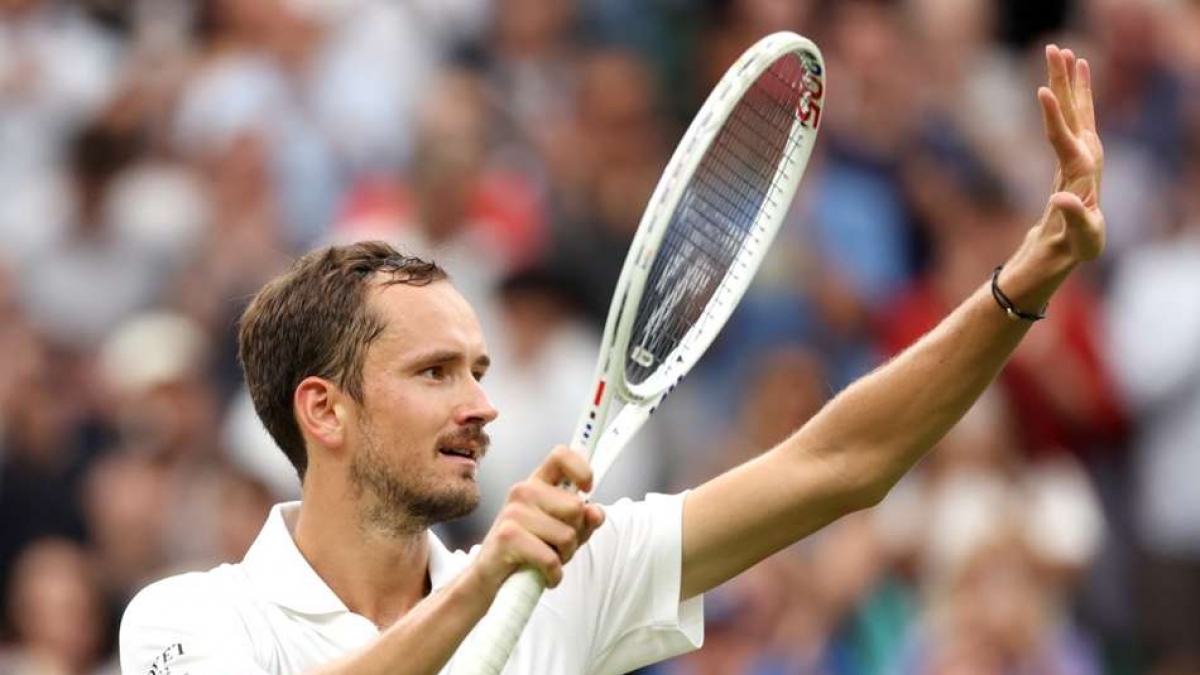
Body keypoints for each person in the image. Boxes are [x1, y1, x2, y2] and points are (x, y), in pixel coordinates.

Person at [118, 45, 1105, 675]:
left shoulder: (562, 579)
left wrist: (1022, 284)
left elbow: (842, 462)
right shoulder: (186, 619)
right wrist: (482, 587)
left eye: (480, 370)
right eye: (434, 373)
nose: (481, 405)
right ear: (324, 410)